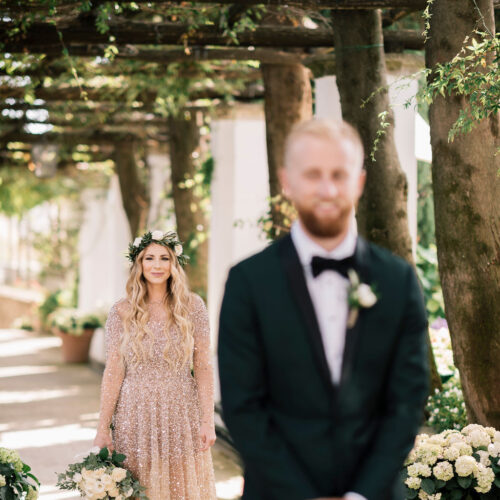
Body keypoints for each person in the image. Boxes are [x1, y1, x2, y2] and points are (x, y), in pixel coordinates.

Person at [218, 119, 429, 500]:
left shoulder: (398, 281)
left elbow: (407, 403)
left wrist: (360, 494)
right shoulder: (247, 282)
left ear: (360, 182)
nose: (328, 189)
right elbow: (242, 405)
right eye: (313, 174)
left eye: (339, 174)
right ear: (287, 181)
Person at [94, 230, 216, 500]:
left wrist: (208, 420)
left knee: (180, 485)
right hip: (133, 412)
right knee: (139, 486)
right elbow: (113, 371)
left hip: (182, 411)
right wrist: (103, 427)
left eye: (165, 258)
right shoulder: (121, 311)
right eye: (150, 258)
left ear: (175, 264)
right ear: (139, 264)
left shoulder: (193, 306)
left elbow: (204, 366)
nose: (158, 265)